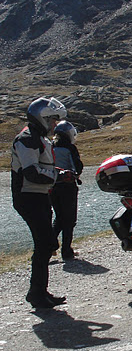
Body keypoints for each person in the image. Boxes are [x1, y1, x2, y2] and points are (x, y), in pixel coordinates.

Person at [11, 97, 68, 308]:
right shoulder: (27, 139)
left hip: (39, 195)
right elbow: (32, 172)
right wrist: (58, 176)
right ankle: (36, 293)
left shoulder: (39, 138)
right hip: (28, 197)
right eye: (52, 120)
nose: (54, 125)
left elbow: (42, 168)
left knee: (46, 243)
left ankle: (39, 292)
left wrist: (59, 173)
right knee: (45, 243)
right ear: (42, 118)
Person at [51, 121, 83, 261]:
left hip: (52, 186)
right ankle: (66, 251)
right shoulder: (70, 148)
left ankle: (49, 246)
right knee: (70, 220)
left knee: (59, 217)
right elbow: (78, 167)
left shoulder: (50, 146)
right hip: (67, 186)